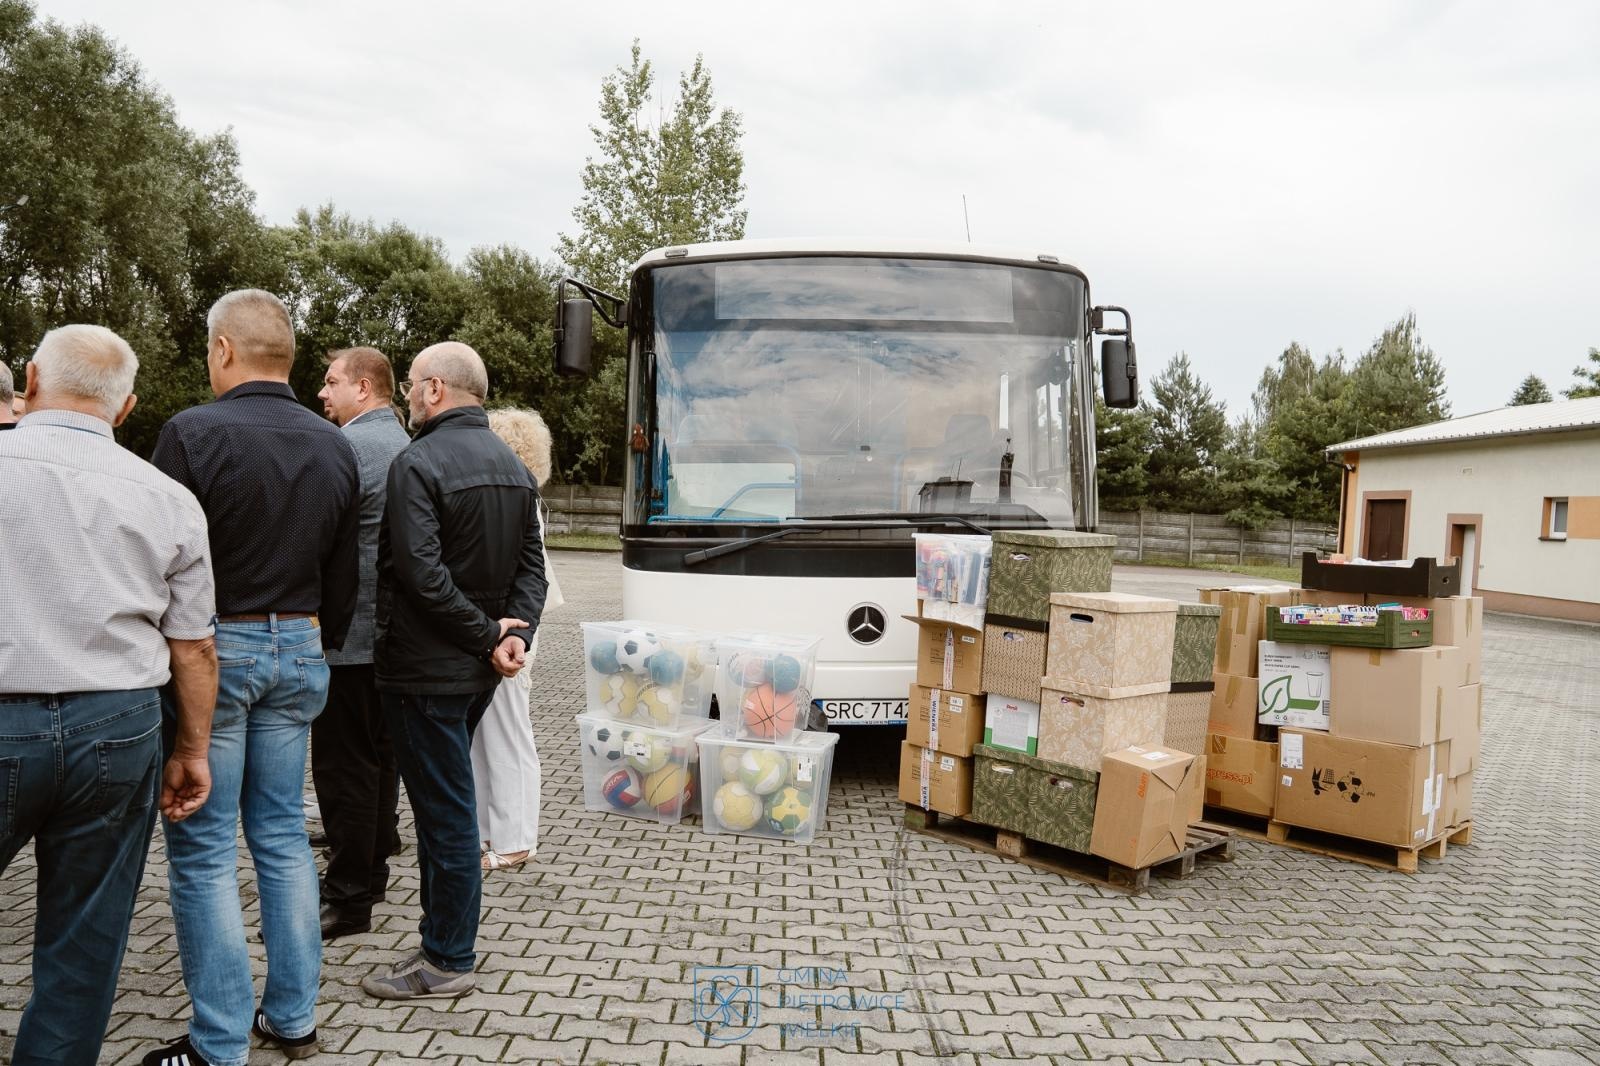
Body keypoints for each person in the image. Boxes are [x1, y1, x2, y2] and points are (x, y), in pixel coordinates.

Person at [144, 290, 360, 1066]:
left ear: (225, 349)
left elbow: (157, 564)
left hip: (215, 654)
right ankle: (294, 1019)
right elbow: (346, 572)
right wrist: (313, 641)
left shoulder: (191, 434)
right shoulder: (335, 443)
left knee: (202, 847)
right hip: (300, 648)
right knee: (280, 835)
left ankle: (218, 1043)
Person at [0, 325, 217, 1065]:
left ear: (29, 379)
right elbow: (193, 646)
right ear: (126, 409)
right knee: (82, 947)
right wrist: (191, 749)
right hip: (119, 728)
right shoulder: (170, 498)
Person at [361, 342, 547, 1000]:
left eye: (413, 384)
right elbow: (533, 570)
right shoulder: (512, 466)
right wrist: (511, 635)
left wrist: (491, 636)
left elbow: (420, 575)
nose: (409, 395)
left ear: (436, 389)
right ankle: (443, 940)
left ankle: (447, 959)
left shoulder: (418, 463)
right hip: (474, 673)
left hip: (423, 674)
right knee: (451, 807)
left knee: (446, 816)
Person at [311, 347, 410, 940]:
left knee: (344, 767)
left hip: (349, 636)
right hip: (390, 639)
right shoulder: (401, 444)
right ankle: (370, 871)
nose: (323, 394)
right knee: (379, 759)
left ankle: (347, 895)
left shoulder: (350, 448)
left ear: (365, 388)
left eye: (331, 382)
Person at [475, 409, 565, 872]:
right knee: (486, 731)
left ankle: (516, 839)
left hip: (514, 626)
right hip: (506, 623)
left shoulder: (518, 496)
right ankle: (491, 830)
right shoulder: (519, 494)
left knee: (508, 728)